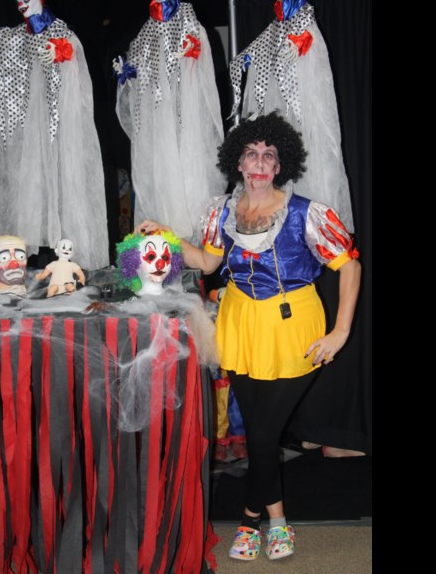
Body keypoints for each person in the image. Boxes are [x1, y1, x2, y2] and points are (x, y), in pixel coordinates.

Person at [136, 112, 361, 562]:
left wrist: (340, 331)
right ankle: (276, 520)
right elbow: (207, 263)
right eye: (251, 154)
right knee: (260, 428)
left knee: (264, 430)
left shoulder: (308, 213)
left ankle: (249, 517)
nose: (259, 164)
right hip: (238, 323)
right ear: (238, 161)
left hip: (293, 326)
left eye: (269, 156)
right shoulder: (221, 211)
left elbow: (350, 265)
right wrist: (168, 237)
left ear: (280, 165)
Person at [0, 0, 109, 271]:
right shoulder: (18, 37)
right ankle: (16, 262)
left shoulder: (60, 30)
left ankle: (70, 263)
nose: (21, 3)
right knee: (30, 195)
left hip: (58, 129)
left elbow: (71, 49)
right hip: (31, 133)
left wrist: (59, 49)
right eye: (18, 0)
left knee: (63, 192)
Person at [228, 0, 355, 234]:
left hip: (301, 107)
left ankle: (310, 228)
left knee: (306, 158)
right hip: (280, 108)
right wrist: (246, 59)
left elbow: (313, 52)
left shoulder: (304, 18)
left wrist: (301, 44)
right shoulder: (275, 25)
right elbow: (259, 46)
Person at [114, 0, 225, 239]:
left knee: (186, 177)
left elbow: (198, 52)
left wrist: (190, 48)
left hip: (182, 118)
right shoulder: (146, 32)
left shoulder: (187, 18)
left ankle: (191, 246)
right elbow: (139, 71)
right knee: (159, 179)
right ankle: (161, 244)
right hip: (156, 123)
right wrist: (127, 74)